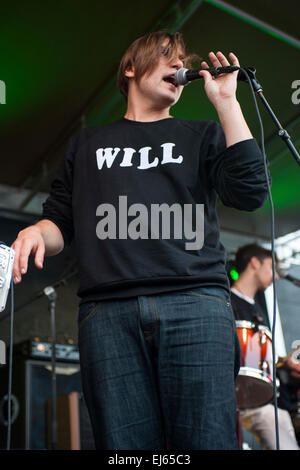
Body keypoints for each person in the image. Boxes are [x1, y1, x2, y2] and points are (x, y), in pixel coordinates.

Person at [11, 31, 270, 450]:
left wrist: (226, 102)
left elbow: (250, 192)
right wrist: (35, 233)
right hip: (108, 313)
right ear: (130, 68)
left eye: (182, 59)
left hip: (196, 303)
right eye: (167, 56)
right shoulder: (87, 144)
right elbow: (59, 221)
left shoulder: (200, 134)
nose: (178, 65)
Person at [231, 243, 300, 450]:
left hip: (268, 397)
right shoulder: (227, 302)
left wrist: (285, 363)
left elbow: (255, 356)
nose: (276, 276)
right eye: (272, 267)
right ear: (254, 263)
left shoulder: (257, 308)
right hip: (243, 396)